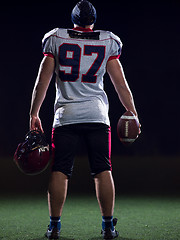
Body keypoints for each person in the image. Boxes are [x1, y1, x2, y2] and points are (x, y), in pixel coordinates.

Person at [29, 0, 139, 239]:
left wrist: (34, 113)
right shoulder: (107, 41)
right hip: (97, 115)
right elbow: (120, 84)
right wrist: (132, 112)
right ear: (94, 21)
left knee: (60, 170)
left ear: (73, 19)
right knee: (103, 169)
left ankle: (54, 226)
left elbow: (43, 82)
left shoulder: (56, 38)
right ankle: (108, 226)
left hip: (65, 115)